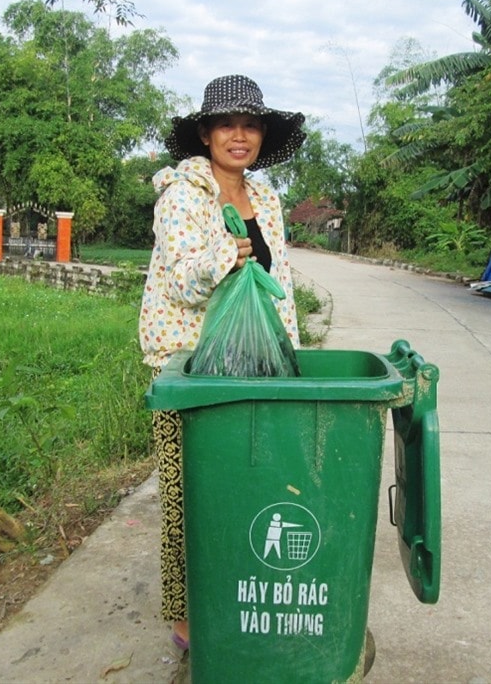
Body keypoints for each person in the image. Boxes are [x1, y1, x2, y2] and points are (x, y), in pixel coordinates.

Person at [138, 75, 306, 650]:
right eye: (227, 125)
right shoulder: (182, 195)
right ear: (206, 134)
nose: (240, 136)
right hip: (189, 365)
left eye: (251, 125)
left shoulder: (267, 201)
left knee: (249, 486)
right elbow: (184, 281)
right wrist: (221, 255)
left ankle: (237, 588)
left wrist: (290, 355)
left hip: (254, 363)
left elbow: (278, 280)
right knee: (188, 492)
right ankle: (187, 615)